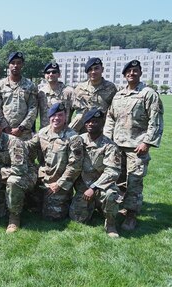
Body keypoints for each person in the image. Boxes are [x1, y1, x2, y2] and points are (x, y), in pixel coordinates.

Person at [104, 59, 164, 231]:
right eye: (128, 71)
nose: (132, 73)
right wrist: (108, 140)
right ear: (124, 75)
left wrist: (147, 142)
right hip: (117, 146)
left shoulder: (148, 94)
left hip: (137, 147)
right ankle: (122, 209)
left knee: (135, 181)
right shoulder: (119, 95)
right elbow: (110, 118)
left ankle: (131, 215)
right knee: (119, 180)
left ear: (140, 73)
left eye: (135, 70)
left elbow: (156, 120)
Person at [69, 108, 122, 238]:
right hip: (83, 188)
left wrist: (94, 187)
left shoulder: (109, 146)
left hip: (102, 187)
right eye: (88, 121)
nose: (91, 124)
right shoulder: (78, 141)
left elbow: (113, 171)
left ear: (102, 123)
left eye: (95, 121)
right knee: (78, 220)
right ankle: (93, 207)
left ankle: (110, 224)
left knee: (111, 195)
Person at [26, 103, 83, 220]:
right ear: (49, 117)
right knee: (28, 204)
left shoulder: (73, 138)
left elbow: (75, 166)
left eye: (60, 115)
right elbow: (28, 146)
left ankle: (66, 202)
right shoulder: (43, 132)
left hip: (59, 183)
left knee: (51, 217)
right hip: (43, 178)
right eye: (54, 115)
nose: (57, 118)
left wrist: (59, 184)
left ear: (65, 117)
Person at [0, 115, 36, 233]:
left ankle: (14, 218)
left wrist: (0, 172)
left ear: (1, 128)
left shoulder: (13, 142)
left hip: (25, 176)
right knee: (1, 215)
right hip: (2, 178)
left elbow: (20, 169)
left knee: (13, 181)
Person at [0, 52, 38, 140]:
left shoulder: (30, 86)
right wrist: (5, 127)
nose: (15, 65)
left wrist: (21, 128)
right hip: (4, 132)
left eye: (18, 63)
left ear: (22, 65)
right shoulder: (0, 85)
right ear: (8, 65)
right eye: (13, 63)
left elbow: (33, 109)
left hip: (24, 133)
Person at [69, 57, 117, 133]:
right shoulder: (79, 88)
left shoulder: (111, 88)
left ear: (102, 69)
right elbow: (72, 110)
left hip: (102, 131)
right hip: (82, 131)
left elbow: (113, 112)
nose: (93, 72)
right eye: (90, 69)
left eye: (96, 68)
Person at [38, 62, 74, 128]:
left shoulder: (69, 92)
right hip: (45, 133)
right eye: (48, 72)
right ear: (44, 75)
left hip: (63, 133)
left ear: (59, 74)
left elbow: (80, 111)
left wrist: (72, 127)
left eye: (54, 72)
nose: (51, 74)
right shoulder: (41, 92)